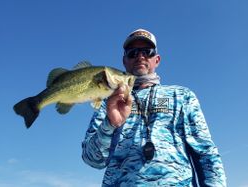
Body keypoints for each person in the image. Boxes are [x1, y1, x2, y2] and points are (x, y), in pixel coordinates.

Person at [82, 28, 227, 186]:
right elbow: (93, 160)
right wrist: (109, 124)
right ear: (124, 60)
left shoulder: (182, 96)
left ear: (157, 59)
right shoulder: (108, 102)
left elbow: (206, 154)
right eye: (132, 52)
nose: (140, 56)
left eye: (147, 51)